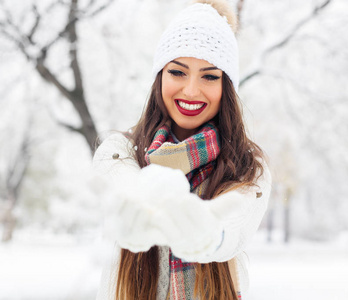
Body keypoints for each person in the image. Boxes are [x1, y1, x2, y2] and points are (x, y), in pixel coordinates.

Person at [93, 0, 271, 299]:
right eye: (177, 72)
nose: (191, 90)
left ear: (227, 85)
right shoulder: (119, 151)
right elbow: (126, 187)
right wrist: (137, 207)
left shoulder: (248, 165)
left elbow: (235, 227)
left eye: (210, 76)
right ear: (159, 76)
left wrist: (209, 235)